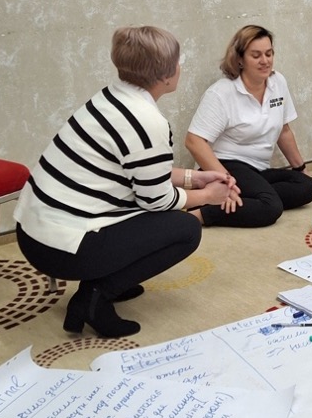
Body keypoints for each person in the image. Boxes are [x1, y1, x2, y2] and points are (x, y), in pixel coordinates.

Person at [15, 26, 241, 338]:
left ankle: (107, 279)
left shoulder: (110, 97)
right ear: (165, 75)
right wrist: (206, 196)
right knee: (184, 229)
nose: (180, 67)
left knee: (155, 220)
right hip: (60, 247)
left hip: (34, 233)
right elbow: (156, 201)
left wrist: (194, 177)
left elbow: (135, 169)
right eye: (178, 61)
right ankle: (94, 298)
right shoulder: (146, 121)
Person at [185, 25, 312, 228]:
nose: (265, 61)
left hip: (258, 169)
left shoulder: (278, 82)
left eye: (269, 53)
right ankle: (200, 212)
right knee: (270, 208)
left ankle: (240, 200)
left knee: (307, 186)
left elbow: (284, 130)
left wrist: (301, 168)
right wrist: (226, 181)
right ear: (239, 59)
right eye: (256, 55)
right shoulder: (221, 93)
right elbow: (194, 141)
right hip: (226, 164)